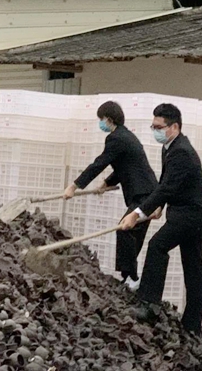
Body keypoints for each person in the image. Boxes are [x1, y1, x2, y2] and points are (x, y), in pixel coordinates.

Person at [120, 103, 202, 334]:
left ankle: (149, 304)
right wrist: (158, 207)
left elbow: (167, 188)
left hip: (191, 215)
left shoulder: (181, 151)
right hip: (190, 213)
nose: (155, 131)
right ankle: (192, 325)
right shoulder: (170, 147)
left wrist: (137, 213)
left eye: (159, 127)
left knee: (157, 246)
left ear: (175, 127)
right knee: (193, 268)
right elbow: (166, 182)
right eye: (153, 126)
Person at [63, 101, 159, 289]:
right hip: (147, 192)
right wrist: (107, 183)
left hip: (144, 194)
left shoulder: (116, 138)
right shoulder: (126, 136)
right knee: (132, 234)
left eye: (101, 119)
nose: (100, 123)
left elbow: (99, 163)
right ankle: (130, 279)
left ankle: (132, 278)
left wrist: (74, 187)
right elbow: (124, 165)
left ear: (108, 119)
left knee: (125, 229)